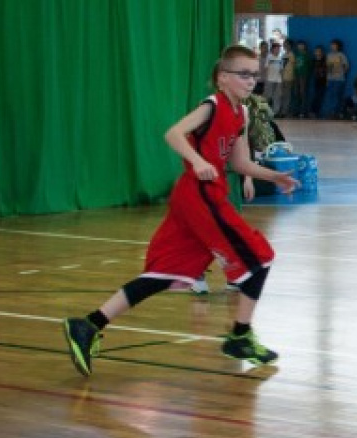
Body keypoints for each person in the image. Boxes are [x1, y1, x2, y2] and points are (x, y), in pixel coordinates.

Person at [62, 45, 298, 376]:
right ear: (223, 78)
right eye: (244, 74)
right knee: (259, 258)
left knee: (165, 273)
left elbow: (240, 161)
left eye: (254, 75)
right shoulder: (212, 106)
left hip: (199, 197)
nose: (251, 81)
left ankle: (88, 325)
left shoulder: (241, 114)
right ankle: (240, 336)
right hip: (201, 197)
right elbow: (173, 133)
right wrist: (198, 160)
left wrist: (273, 176)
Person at [323, 39, 349, 118]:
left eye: (334, 45)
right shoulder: (328, 55)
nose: (332, 47)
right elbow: (327, 68)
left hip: (339, 79)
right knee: (330, 95)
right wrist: (327, 79)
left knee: (337, 96)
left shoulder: (341, 55)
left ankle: (335, 112)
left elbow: (346, 66)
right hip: (330, 79)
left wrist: (342, 73)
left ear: (338, 46)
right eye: (331, 45)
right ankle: (330, 111)